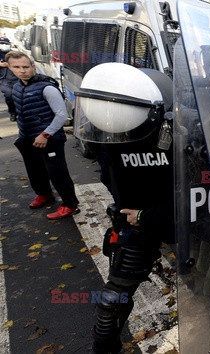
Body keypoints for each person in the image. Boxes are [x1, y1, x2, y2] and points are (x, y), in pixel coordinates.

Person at [72, 63, 175, 354]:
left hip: (166, 218)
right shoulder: (108, 127)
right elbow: (109, 174)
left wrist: (143, 214)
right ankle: (104, 345)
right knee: (112, 298)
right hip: (137, 218)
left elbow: (194, 192)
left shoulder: (173, 133)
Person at [6, 51, 79, 219]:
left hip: (50, 139)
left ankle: (70, 204)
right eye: (16, 67)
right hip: (28, 138)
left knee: (57, 172)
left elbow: (61, 115)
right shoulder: (17, 86)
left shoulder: (47, 87)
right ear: (10, 68)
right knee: (35, 170)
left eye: (25, 66)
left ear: (33, 66)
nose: (22, 70)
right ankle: (45, 194)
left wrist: (45, 134)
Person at [0, 36, 18, 121]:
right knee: (9, 95)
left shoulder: (14, 54)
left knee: (19, 96)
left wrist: (9, 64)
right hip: (4, 80)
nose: (3, 45)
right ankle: (12, 112)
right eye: (1, 43)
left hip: (16, 79)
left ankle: (20, 112)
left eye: (5, 44)